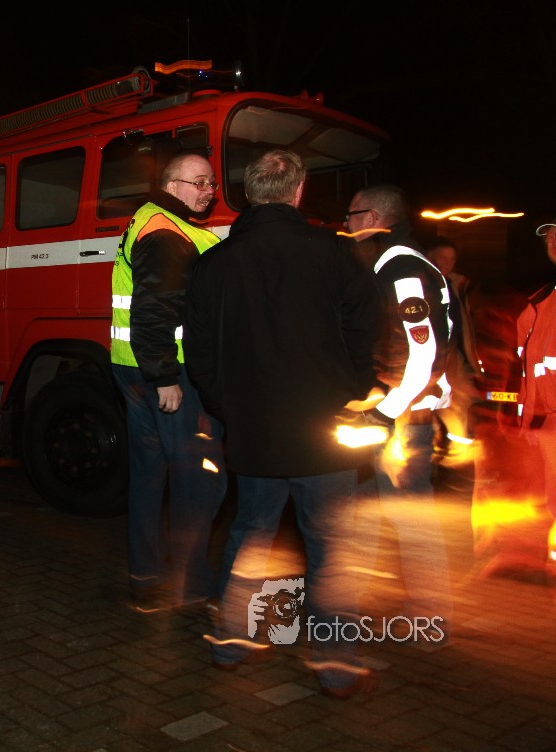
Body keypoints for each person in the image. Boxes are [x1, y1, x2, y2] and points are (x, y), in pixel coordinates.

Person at [183, 149, 381, 699]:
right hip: (325, 428)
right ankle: (335, 662)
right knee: (331, 542)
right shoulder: (335, 252)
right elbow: (364, 331)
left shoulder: (215, 263)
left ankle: (230, 640)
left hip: (255, 427)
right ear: (298, 191)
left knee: (251, 530)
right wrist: (352, 393)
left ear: (251, 194)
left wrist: (227, 405)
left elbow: (198, 351)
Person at [109, 153, 226, 612]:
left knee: (149, 474)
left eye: (212, 183)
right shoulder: (166, 231)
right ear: (172, 185)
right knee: (197, 477)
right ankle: (192, 584)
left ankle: (146, 577)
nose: (208, 191)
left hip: (132, 368)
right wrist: (165, 377)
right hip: (167, 373)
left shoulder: (150, 219)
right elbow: (155, 309)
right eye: (199, 182)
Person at [345, 184, 455, 633]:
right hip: (399, 413)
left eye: (351, 215)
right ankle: (355, 604)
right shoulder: (403, 262)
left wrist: (385, 411)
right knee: (371, 511)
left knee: (410, 518)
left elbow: (422, 352)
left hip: (402, 419)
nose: (346, 223)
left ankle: (429, 619)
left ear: (372, 218)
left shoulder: (401, 268)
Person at [425, 235, 485, 476]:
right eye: (442, 258)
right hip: (428, 359)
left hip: (453, 357)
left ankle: (458, 463)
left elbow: (464, 327)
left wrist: (471, 362)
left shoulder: (457, 285)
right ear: (430, 258)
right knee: (426, 410)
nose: (447, 263)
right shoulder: (421, 284)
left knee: (458, 405)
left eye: (452, 259)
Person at [516, 219, 556, 522]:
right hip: (550, 424)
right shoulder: (539, 303)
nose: (553, 243)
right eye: (549, 237)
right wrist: (529, 420)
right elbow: (530, 370)